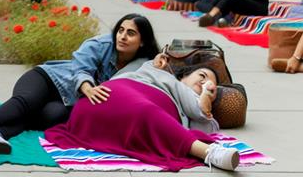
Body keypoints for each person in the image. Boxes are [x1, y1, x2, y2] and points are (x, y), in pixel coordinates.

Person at [0, 13, 159, 153]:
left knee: (52, 116)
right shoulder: (102, 44)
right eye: (120, 30)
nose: (122, 36)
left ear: (142, 41)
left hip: (66, 102)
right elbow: (80, 66)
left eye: (130, 33)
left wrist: (160, 66)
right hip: (48, 78)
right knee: (28, 101)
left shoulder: (141, 65)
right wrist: (87, 87)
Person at [43, 55, 240, 171]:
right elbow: (142, 71)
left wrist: (205, 96)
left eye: (210, 85)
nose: (204, 83)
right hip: (109, 97)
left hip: (122, 120)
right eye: (202, 76)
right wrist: (155, 64)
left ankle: (211, 152)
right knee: (145, 110)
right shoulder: (163, 77)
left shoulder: (190, 111)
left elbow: (203, 123)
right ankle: (209, 153)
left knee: (145, 115)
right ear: (184, 75)